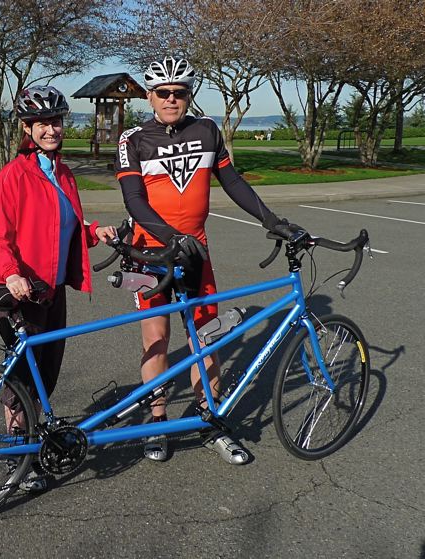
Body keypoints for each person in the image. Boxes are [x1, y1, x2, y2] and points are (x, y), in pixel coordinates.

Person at [115, 57, 295, 464]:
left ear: (189, 94)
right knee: (155, 339)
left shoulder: (207, 129)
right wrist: (170, 238)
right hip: (151, 254)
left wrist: (273, 220)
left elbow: (232, 181)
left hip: (197, 253)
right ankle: (158, 422)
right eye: (163, 93)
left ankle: (207, 419)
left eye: (179, 93)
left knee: (207, 340)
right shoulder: (133, 139)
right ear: (150, 96)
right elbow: (133, 200)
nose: (171, 100)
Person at [0, 85, 116, 490]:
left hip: (53, 291)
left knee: (46, 376)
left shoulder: (63, 173)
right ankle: (15, 458)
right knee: (21, 382)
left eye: (56, 122)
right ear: (28, 128)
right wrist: (10, 273)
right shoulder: (12, 176)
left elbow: (66, 227)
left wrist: (96, 231)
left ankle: (32, 443)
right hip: (23, 294)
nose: (51, 129)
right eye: (42, 123)